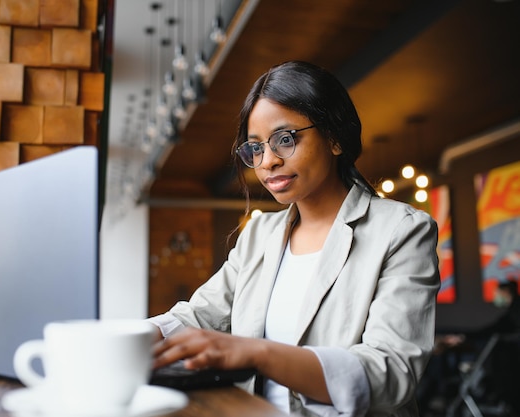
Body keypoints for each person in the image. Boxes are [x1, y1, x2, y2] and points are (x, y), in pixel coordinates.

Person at [148, 61, 440, 416]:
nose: (267, 161)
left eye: (285, 140)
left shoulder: (401, 231)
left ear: (334, 137)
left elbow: (391, 372)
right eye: (255, 148)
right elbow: (199, 316)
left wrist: (258, 353)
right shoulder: (259, 234)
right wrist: (132, 337)